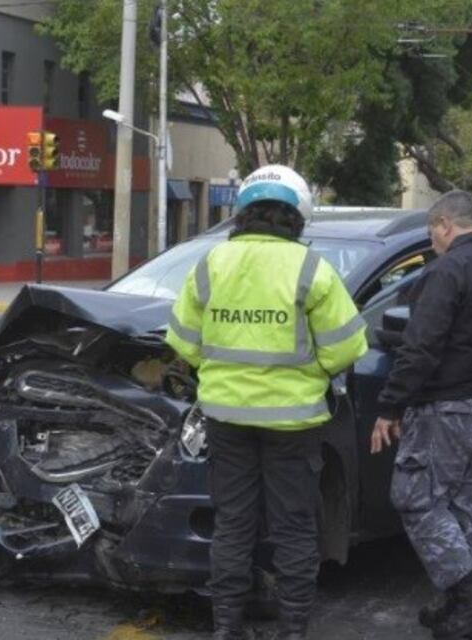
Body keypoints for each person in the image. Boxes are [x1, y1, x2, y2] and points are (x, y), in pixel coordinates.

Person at [166, 164, 368, 640]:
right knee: (294, 527)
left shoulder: (211, 264)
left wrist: (222, 373)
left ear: (243, 213)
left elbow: (182, 340)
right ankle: (293, 629)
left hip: (226, 417)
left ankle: (226, 629)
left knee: (233, 525)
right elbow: (347, 347)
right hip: (294, 422)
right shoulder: (311, 268)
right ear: (297, 217)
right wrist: (308, 374)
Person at [370, 190, 472, 639]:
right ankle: (461, 611)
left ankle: (471, 599)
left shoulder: (446, 272)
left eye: (432, 234)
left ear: (445, 224)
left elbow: (420, 347)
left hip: (450, 406)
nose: (433, 243)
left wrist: (390, 405)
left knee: (415, 497)